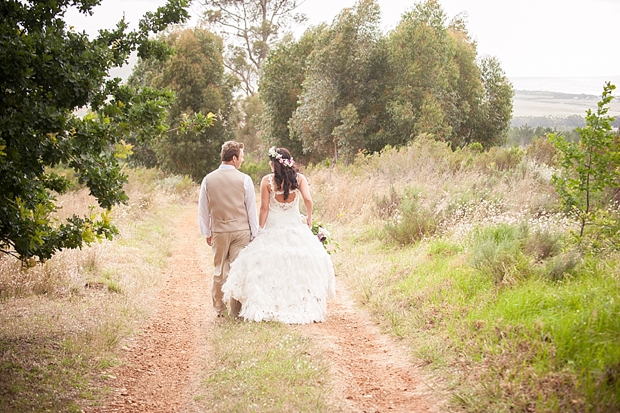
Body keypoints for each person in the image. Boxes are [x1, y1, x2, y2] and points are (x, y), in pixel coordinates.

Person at [221, 147, 336, 324]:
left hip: (274, 226)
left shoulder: (267, 181)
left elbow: (264, 208)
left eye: (270, 161)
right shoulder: (300, 179)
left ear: (274, 163)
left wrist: (259, 229)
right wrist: (309, 219)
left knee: (268, 263)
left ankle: (271, 302)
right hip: (295, 225)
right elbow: (308, 200)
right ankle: (300, 301)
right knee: (301, 262)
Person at [198, 141, 259, 317]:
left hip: (219, 230)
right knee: (238, 269)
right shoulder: (245, 179)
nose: (242, 160)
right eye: (241, 157)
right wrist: (254, 232)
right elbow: (251, 209)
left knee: (219, 270)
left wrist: (207, 232)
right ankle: (235, 310)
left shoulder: (208, 179)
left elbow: (203, 208)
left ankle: (219, 307)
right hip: (241, 231)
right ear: (234, 158)